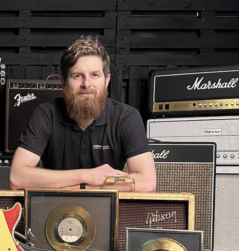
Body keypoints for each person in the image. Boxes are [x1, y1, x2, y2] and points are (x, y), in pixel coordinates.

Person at [9, 36, 156, 192]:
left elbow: (147, 183)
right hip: (54, 210)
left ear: (106, 81)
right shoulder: (45, 115)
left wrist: (82, 186)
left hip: (109, 212)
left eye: (94, 75)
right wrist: (87, 176)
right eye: (77, 76)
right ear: (63, 83)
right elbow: (17, 178)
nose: (87, 84)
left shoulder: (126, 117)